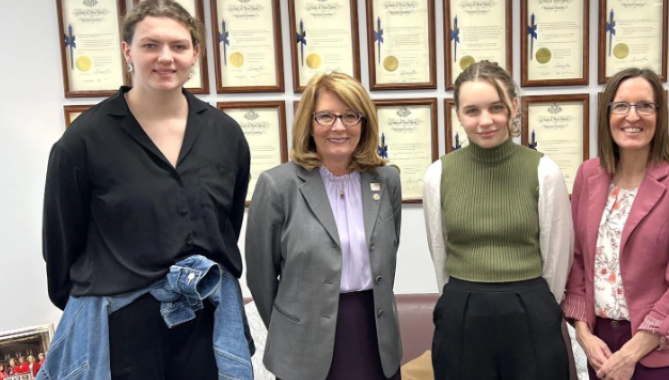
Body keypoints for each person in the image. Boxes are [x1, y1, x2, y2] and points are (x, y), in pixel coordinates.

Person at [41, 1, 253, 379]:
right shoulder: (83, 141)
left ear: (196, 54)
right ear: (128, 52)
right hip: (123, 327)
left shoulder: (226, 135)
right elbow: (61, 245)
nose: (165, 58)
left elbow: (227, 225)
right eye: (150, 45)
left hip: (206, 321)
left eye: (179, 46)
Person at [246, 72, 402, 380]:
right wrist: (293, 327)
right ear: (309, 123)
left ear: (364, 122)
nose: (339, 126)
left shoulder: (386, 181)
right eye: (326, 116)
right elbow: (261, 278)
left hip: (374, 336)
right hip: (304, 345)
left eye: (350, 116)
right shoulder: (278, 186)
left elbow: (388, 253)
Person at [423, 60, 573, 379]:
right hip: (461, 311)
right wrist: (460, 300)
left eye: (496, 107)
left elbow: (558, 256)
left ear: (514, 107)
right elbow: (440, 251)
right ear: (458, 114)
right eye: (472, 111)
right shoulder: (438, 175)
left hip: (531, 309)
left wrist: (539, 307)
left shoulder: (544, 171)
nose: (485, 121)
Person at [561, 68, 669, 380]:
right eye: (621, 105)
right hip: (600, 345)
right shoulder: (588, 175)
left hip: (662, 350)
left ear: (659, 115)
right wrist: (584, 336)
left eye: (645, 105)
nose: (632, 116)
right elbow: (576, 263)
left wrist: (632, 351)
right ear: (607, 114)